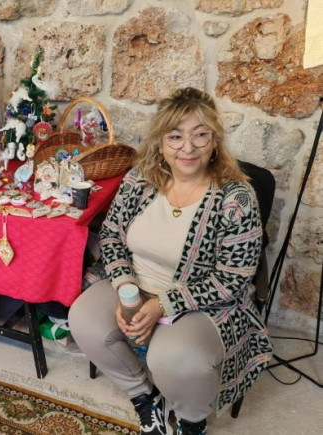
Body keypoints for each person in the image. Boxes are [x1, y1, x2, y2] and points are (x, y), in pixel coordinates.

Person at [68, 87, 273, 435]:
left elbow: (233, 279)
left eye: (200, 135)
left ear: (214, 141)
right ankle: (145, 397)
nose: (187, 148)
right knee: (83, 318)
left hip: (201, 301)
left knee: (172, 357)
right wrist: (126, 287)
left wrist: (162, 304)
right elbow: (112, 235)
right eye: (175, 136)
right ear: (161, 143)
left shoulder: (236, 197)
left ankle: (192, 421)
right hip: (136, 282)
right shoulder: (139, 179)